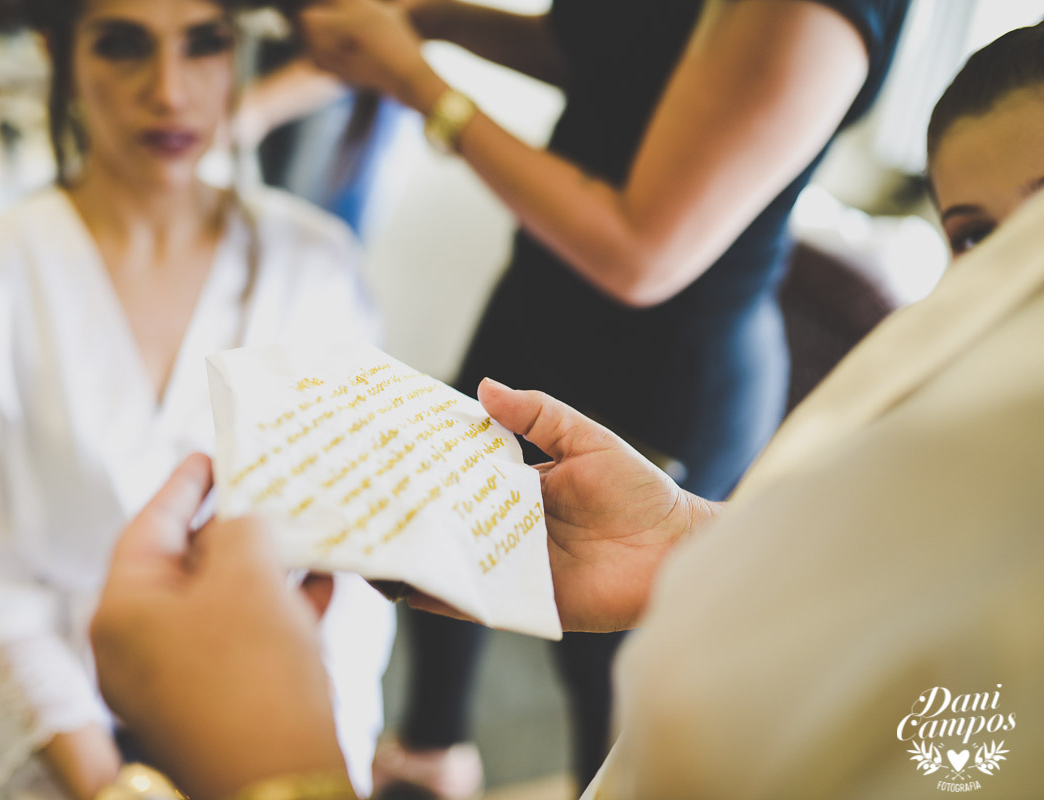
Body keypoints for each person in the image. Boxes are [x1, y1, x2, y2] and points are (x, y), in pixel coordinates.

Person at [86, 19, 1044, 799]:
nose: (1002, 281)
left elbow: (931, 743)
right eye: (973, 238)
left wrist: (274, 769)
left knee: (615, 700)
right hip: (542, 318)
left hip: (663, 366)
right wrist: (689, 547)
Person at [293, 0, 910, 792]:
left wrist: (419, 84)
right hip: (538, 301)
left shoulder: (807, 14)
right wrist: (438, 18)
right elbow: (609, 48)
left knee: (608, 684)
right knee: (439, 558)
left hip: (659, 374)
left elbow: (641, 253)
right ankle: (431, 756)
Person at [0, 1, 394, 798]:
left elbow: (359, 567)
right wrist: (110, 784)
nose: (168, 92)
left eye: (203, 45)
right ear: (56, 51)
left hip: (282, 735)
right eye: (124, 46)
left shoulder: (319, 271)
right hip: (56, 747)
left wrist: (305, 761)